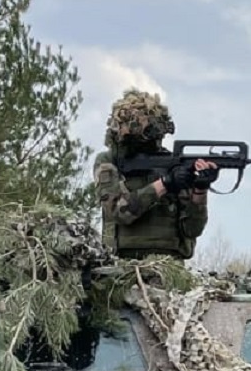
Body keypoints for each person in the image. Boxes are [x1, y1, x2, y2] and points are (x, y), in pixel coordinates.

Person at [93, 88, 219, 259]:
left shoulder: (173, 165)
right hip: (122, 263)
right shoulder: (109, 161)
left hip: (169, 264)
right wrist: (165, 184)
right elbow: (119, 212)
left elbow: (192, 229)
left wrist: (200, 189)